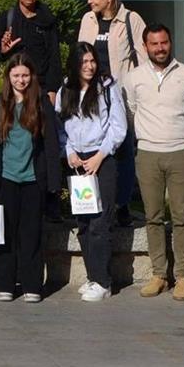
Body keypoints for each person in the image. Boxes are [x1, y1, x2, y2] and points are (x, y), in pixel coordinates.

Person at [122, 24, 184, 301]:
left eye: (164, 42)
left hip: (180, 153)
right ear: (145, 47)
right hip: (148, 154)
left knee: (182, 217)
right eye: (154, 44)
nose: (160, 48)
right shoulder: (133, 78)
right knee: (152, 217)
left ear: (170, 42)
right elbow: (131, 111)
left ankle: (183, 276)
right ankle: (159, 274)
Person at [56, 42, 127, 303]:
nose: (89, 66)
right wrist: (69, 152)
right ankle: (92, 275)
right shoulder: (66, 89)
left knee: (100, 221)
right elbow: (60, 126)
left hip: (102, 158)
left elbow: (118, 127)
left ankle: (103, 281)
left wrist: (100, 156)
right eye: (84, 62)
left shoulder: (107, 88)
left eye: (92, 61)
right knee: (84, 223)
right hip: (77, 160)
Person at [78, 0, 147, 228]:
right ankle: (94, 201)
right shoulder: (88, 20)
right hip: (91, 97)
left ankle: (122, 204)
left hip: (120, 95)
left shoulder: (131, 19)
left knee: (123, 150)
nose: (89, 0)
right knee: (94, 148)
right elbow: (80, 55)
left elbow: (143, 59)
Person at [0, 54, 61, 303]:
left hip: (33, 179)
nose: (20, 80)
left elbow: (51, 144)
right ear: (8, 77)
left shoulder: (42, 104)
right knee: (6, 233)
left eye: (25, 75)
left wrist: (54, 183)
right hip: (6, 178)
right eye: (16, 76)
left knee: (31, 233)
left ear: (31, 76)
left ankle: (32, 284)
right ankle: (6, 284)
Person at [0, 0, 62, 102]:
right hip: (15, 84)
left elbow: (54, 55)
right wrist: (3, 51)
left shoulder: (47, 19)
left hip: (40, 85)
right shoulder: (7, 18)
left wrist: (52, 89)